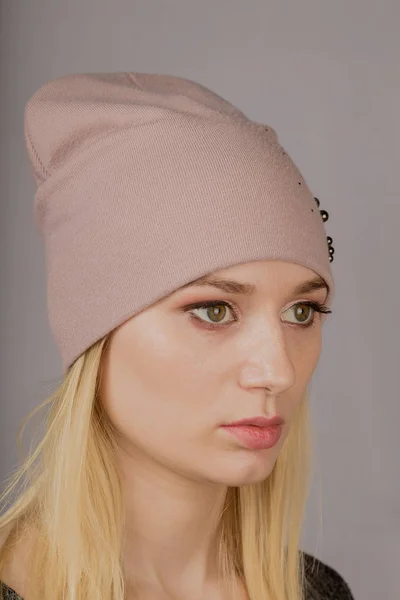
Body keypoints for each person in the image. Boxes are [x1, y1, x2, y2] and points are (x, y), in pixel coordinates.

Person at [0, 72, 354, 600]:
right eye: (214, 310)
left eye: (302, 311)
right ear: (95, 334)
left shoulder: (315, 591)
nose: (277, 370)